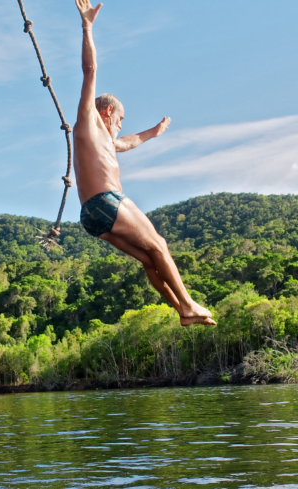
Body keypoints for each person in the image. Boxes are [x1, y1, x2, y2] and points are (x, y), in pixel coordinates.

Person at [73, 0, 216, 326]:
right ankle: (189, 303)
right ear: (108, 112)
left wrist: (153, 132)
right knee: (160, 245)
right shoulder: (88, 120)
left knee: (150, 258)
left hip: (91, 216)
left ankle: (182, 312)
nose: (121, 125)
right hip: (106, 201)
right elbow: (89, 71)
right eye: (120, 119)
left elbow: (126, 143)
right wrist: (87, 26)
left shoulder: (103, 141)